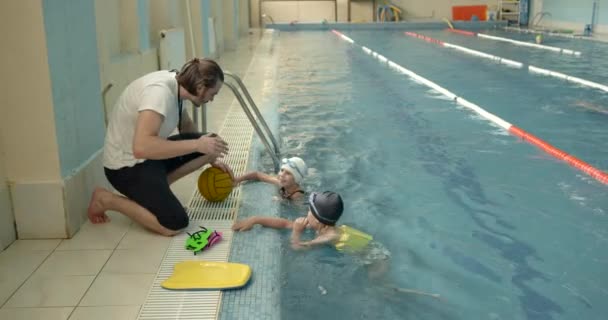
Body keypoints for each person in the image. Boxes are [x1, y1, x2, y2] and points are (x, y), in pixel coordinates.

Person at [87, 58, 234, 237]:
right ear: (201, 86)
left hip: (148, 159)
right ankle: (106, 200)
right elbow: (141, 147)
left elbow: (186, 125)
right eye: (213, 93)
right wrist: (197, 145)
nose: (212, 99)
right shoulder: (159, 93)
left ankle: (157, 190)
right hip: (126, 167)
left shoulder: (177, 85)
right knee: (175, 223)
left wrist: (210, 157)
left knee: (212, 141)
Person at [232, 191, 440, 299]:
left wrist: (296, 233)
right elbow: (286, 224)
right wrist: (256, 219)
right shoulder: (326, 227)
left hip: (376, 259)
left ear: (319, 221)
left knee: (379, 289)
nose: (305, 216)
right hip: (372, 249)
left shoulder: (328, 237)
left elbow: (298, 247)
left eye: (309, 213)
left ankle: (418, 295)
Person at [233, 157, 308, 200]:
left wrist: (281, 200)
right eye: (282, 170)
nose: (282, 175)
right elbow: (257, 174)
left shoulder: (297, 195)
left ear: (296, 179)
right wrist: (238, 179)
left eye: (288, 173)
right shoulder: (280, 182)